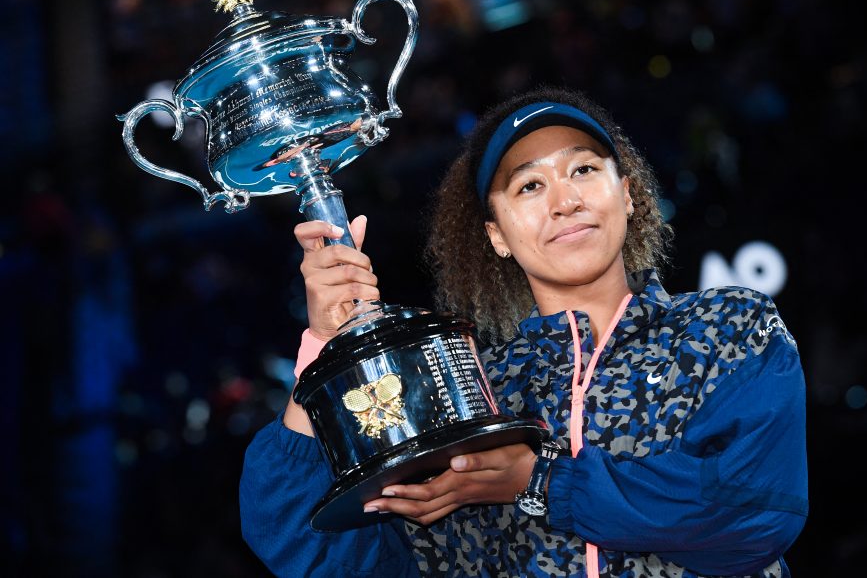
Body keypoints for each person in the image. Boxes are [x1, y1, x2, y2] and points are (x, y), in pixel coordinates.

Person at [239, 87, 808, 577]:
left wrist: (539, 482)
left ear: (628, 195)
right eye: (529, 187)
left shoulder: (728, 328)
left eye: (583, 169)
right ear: (497, 235)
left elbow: (753, 511)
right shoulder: (463, 396)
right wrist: (327, 347)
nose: (565, 201)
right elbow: (312, 554)